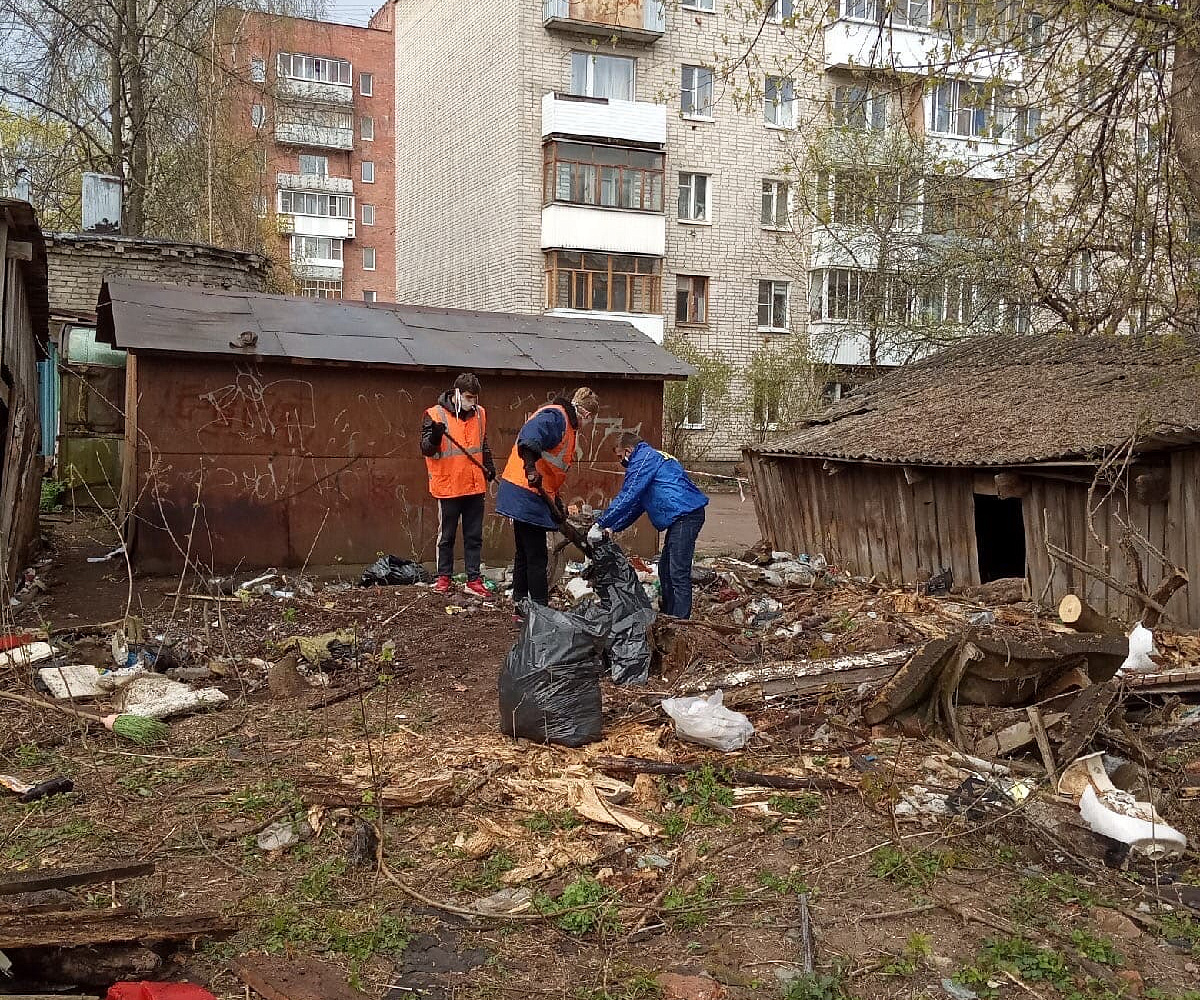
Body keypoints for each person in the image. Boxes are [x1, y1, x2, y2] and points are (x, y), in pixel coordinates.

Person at [496, 387, 600, 608]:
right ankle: (539, 608)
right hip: (527, 490)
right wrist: (531, 468)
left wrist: (557, 504)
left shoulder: (563, 423)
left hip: (524, 490)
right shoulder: (557, 417)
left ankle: (521, 603)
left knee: (524, 552)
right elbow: (530, 439)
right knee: (537, 555)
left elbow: (551, 470)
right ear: (587, 415)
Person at [588, 432, 708, 619]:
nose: (621, 462)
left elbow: (629, 494)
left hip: (685, 514)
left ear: (628, 450)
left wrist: (601, 523)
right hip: (683, 515)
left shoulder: (643, 460)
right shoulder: (653, 457)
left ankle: (680, 622)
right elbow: (637, 504)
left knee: (677, 571)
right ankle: (668, 614)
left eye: (620, 457)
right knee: (665, 568)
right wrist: (612, 527)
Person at [420, 372, 496, 596]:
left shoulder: (480, 414)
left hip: (474, 485)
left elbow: (482, 444)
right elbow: (425, 448)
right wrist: (434, 436)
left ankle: (473, 579)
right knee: (447, 536)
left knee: (474, 536)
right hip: (449, 486)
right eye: (469, 397)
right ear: (456, 394)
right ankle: (444, 578)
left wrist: (490, 467)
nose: (472, 402)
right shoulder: (434, 415)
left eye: (475, 398)